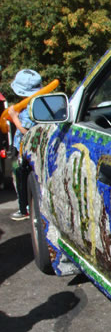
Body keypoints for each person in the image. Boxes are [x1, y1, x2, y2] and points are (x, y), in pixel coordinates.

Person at [6, 69, 42, 221]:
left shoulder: (29, 108)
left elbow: (26, 131)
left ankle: (24, 209)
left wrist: (14, 117)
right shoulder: (37, 102)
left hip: (24, 150)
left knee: (20, 178)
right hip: (27, 149)